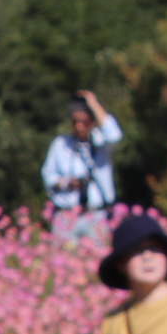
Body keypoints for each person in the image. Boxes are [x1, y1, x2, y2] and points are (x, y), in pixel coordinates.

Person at [43, 90, 123, 244]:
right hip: (66, 215)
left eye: (84, 121)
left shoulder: (101, 143)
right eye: (75, 121)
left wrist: (94, 104)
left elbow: (114, 135)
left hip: (95, 215)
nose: (79, 126)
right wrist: (66, 183)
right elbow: (48, 175)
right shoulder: (60, 144)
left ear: (92, 122)